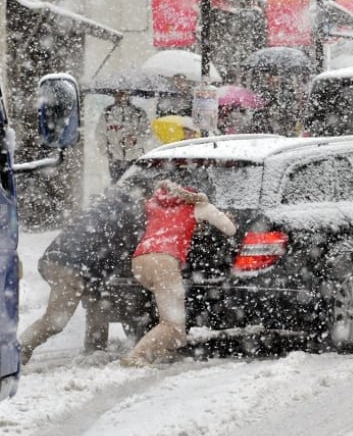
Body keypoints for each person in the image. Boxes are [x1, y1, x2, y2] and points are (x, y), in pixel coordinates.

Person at [19, 190, 146, 365]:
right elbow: (120, 254)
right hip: (69, 266)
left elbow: (103, 248)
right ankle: (18, 350)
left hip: (57, 259)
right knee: (56, 320)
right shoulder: (131, 216)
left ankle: (95, 350)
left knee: (99, 303)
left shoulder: (109, 206)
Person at [120, 180, 236, 367]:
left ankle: (160, 351)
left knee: (171, 323)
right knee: (174, 328)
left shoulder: (153, 202)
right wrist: (217, 215)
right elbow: (231, 230)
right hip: (165, 262)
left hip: (140, 260)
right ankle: (136, 356)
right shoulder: (199, 205)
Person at [96, 90, 150, 182]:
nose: (122, 96)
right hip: (115, 158)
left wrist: (135, 139)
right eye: (119, 93)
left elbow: (147, 133)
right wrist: (107, 152)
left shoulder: (139, 112)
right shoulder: (107, 112)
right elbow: (100, 133)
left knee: (136, 185)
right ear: (114, 95)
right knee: (116, 184)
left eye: (125, 93)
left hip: (135, 157)